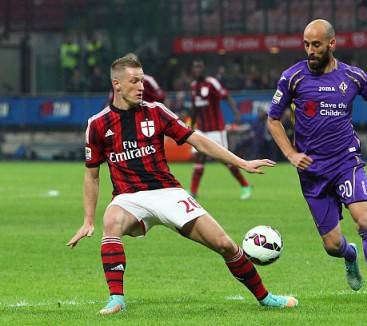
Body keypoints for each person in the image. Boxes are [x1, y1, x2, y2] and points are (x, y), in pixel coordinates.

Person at [67, 54, 297, 315]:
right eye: (134, 81)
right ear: (117, 84)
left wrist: (241, 162)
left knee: (224, 244)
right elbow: (92, 175)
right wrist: (88, 221)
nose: (141, 87)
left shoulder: (156, 112)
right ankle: (116, 299)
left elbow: (197, 140)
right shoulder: (97, 125)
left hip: (167, 192)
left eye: (142, 81)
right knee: (111, 221)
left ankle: (265, 298)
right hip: (128, 197)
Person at [267, 19, 367, 312]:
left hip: (346, 161)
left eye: (316, 45)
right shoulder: (292, 77)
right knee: (333, 246)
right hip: (312, 170)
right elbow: (273, 119)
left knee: (364, 220)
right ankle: (349, 255)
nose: (310, 51)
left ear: (332, 44)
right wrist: (291, 155)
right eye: (306, 44)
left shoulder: (354, 77)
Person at [189, 58, 252, 200]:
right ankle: (193, 191)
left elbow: (226, 96)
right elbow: (194, 109)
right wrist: (192, 127)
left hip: (216, 130)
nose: (197, 69)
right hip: (202, 130)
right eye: (195, 67)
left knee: (227, 160)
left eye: (200, 66)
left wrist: (236, 113)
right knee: (199, 158)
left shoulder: (212, 83)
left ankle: (245, 185)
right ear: (192, 70)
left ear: (203, 69)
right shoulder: (194, 86)